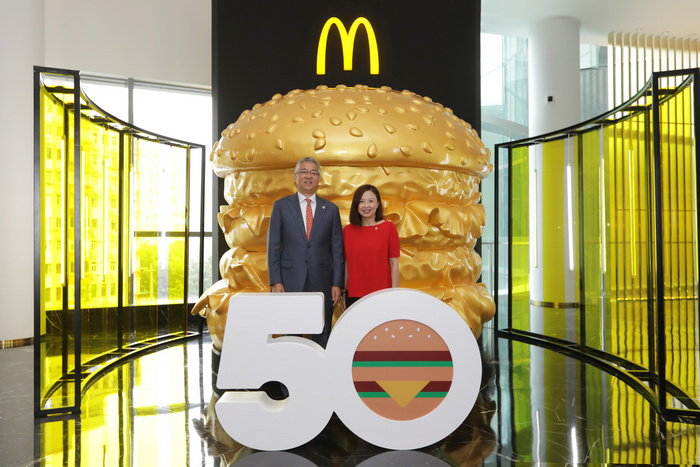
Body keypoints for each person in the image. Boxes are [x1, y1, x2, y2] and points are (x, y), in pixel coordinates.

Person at [267, 157, 344, 347]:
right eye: (304, 172)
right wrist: (276, 281)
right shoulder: (281, 206)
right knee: (291, 336)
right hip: (289, 282)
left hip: (323, 283)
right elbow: (273, 247)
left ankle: (322, 367)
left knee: (322, 337)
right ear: (295, 176)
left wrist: (337, 283)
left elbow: (337, 250)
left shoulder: (331, 209)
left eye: (313, 172)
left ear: (319, 179)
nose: (308, 176)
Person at [343, 185, 400, 309]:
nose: (366, 205)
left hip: (382, 293)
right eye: (361, 201)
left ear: (378, 203)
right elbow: (347, 265)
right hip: (354, 294)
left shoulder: (388, 228)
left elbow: (394, 264)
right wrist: (344, 294)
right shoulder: (348, 231)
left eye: (370, 201)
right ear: (356, 205)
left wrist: (394, 294)